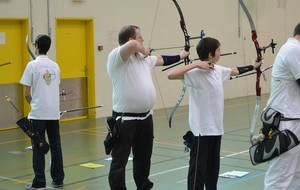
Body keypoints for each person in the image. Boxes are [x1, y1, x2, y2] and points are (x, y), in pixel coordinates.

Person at [167, 37, 262, 190]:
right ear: (210, 55)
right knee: (198, 171)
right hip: (201, 131)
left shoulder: (218, 70)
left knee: (212, 171)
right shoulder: (195, 73)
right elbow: (170, 75)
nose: (220, 53)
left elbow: (234, 71)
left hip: (216, 129)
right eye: (218, 51)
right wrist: (196, 63)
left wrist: (253, 66)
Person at [106, 25, 189, 190]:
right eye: (139, 37)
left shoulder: (143, 59)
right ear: (131, 39)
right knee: (119, 161)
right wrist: (143, 49)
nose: (142, 40)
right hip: (125, 119)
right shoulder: (117, 56)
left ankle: (143, 187)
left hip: (145, 118)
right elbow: (131, 47)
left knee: (144, 158)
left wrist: (181, 55)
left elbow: (162, 59)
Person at [20, 35, 65, 189]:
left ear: (37, 47)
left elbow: (26, 93)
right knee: (55, 145)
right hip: (53, 113)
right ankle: (58, 178)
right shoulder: (56, 66)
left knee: (39, 147)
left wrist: (35, 104)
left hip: (38, 114)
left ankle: (39, 182)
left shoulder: (31, 66)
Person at [263, 23, 300, 190]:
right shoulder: (293, 49)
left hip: (294, 121)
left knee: (296, 176)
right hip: (286, 124)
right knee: (280, 177)